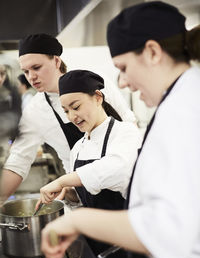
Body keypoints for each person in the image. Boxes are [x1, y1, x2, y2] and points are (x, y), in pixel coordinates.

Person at [41, 2, 200, 258]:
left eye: (124, 68)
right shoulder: (180, 102)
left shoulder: (185, 110)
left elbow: (167, 230)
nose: (123, 82)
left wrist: (77, 220)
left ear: (153, 52)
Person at [38, 69, 140, 258]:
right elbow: (85, 197)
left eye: (76, 106)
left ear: (97, 97)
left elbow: (117, 169)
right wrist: (70, 194)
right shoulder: (78, 148)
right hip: (94, 248)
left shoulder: (125, 134)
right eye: (66, 111)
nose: (72, 116)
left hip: (126, 246)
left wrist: (63, 179)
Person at [0, 33, 137, 204]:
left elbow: (128, 124)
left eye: (36, 67)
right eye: (26, 71)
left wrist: (63, 181)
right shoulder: (35, 111)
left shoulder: (93, 82)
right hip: (83, 196)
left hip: (127, 189)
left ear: (56, 61)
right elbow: (18, 161)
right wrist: (71, 190)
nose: (31, 77)